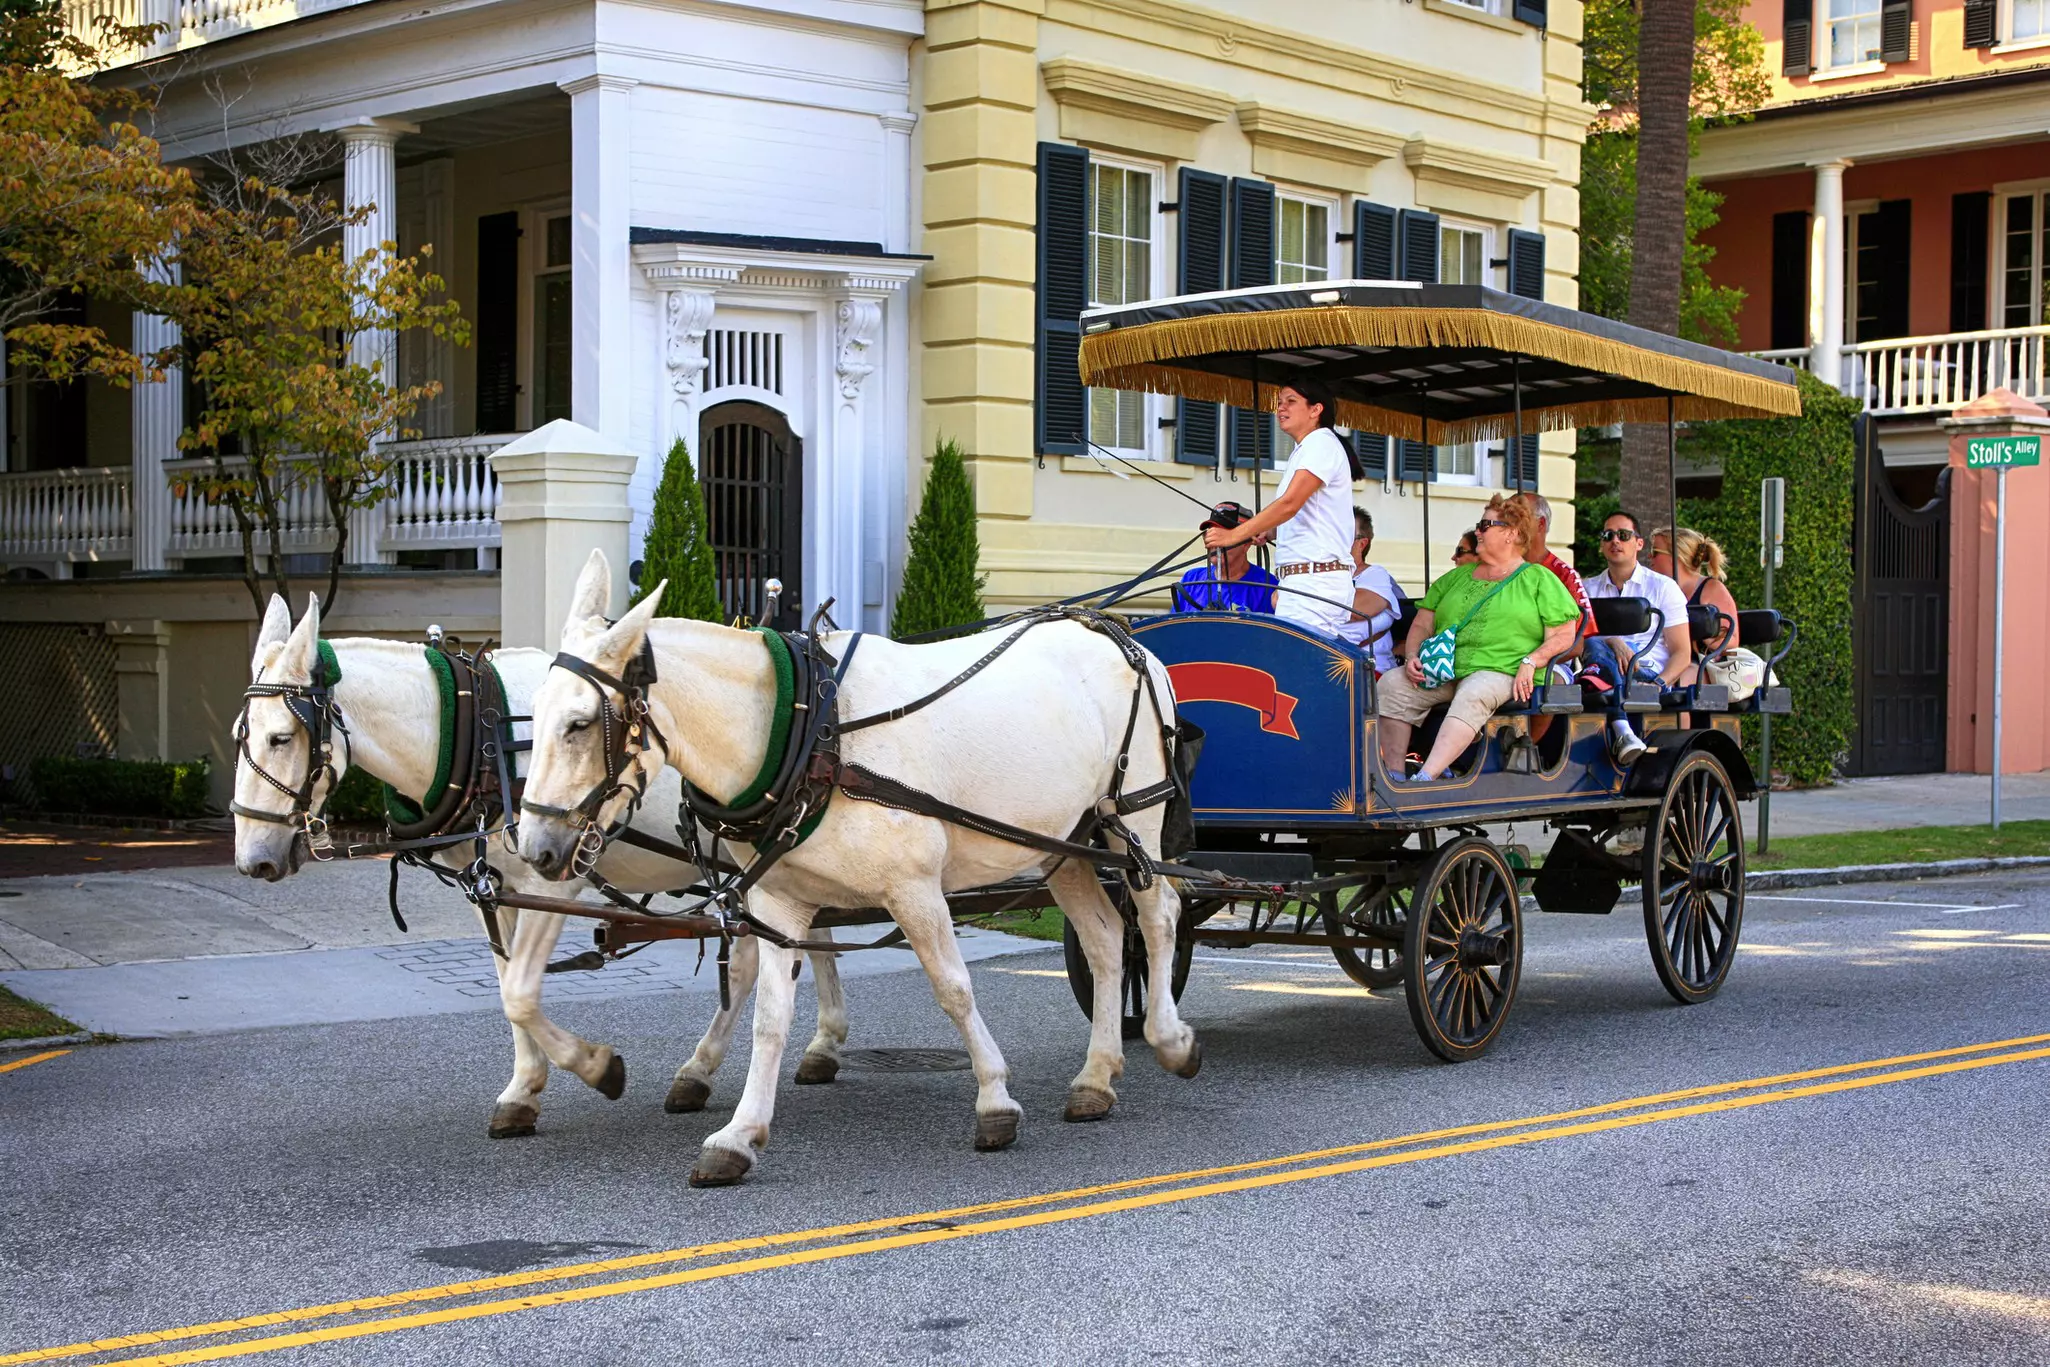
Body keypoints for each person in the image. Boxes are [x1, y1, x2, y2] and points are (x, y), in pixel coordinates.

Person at [1378, 495, 1580, 783]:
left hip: (1503, 670)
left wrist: (1532, 660)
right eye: (1479, 524)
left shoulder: (1539, 579)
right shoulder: (1457, 577)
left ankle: (1425, 778)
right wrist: (1412, 657)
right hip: (1445, 670)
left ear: (1511, 533)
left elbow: (1564, 635)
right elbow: (1423, 623)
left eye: (1486, 524)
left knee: (1475, 691)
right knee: (1393, 683)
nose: (1478, 532)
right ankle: (1395, 777)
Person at [1201, 376, 1361, 636]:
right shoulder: (1309, 448)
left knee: (1298, 667)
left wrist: (1233, 536)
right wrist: (1271, 531)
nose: (1281, 408)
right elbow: (1305, 513)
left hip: (1314, 582)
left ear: (1315, 410)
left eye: (1291, 401)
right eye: (1279, 403)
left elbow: (1289, 504)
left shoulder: (1320, 443)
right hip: (1303, 581)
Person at [1582, 509, 1691, 764]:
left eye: (1623, 535)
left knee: (1594, 655)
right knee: (1592, 642)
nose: (1615, 541)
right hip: (1603, 667)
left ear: (1639, 543)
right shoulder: (1588, 589)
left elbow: (1682, 652)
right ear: (1601, 545)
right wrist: (1613, 641)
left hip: (1645, 671)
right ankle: (1621, 728)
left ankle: (1619, 724)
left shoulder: (1663, 587)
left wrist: (1659, 685)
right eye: (1608, 536)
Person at [1650, 525, 1741, 671]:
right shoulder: (1656, 589)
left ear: (1676, 556)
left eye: (1655, 552)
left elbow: (1732, 641)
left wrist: (1698, 631)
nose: (1650, 557)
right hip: (1659, 663)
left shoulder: (1711, 589)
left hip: (1699, 669)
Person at [1171, 501, 1277, 613]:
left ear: (1246, 544)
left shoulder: (1267, 586)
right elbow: (1173, 627)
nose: (1214, 543)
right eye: (1211, 534)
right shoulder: (1191, 579)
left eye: (1223, 535)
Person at [1338, 507, 1406, 674]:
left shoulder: (1375, 574)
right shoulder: (1320, 576)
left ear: (1362, 543)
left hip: (1369, 671)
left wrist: (1312, 602)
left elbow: (1357, 610)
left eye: (1344, 534)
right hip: (1330, 665)